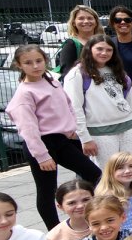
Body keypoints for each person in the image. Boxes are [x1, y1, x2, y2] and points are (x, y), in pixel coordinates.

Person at [7, 44, 104, 229]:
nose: (35, 66)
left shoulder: (51, 80)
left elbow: (67, 105)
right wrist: (42, 155)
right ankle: (54, 230)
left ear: (45, 61)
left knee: (95, 174)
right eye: (28, 63)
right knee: (46, 190)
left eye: (39, 61)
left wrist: (72, 129)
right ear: (19, 65)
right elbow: (28, 129)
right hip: (42, 144)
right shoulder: (25, 93)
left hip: (63, 140)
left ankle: (89, 215)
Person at [63, 35, 132, 167]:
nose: (104, 53)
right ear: (89, 49)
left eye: (109, 50)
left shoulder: (118, 71)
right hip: (100, 132)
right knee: (107, 174)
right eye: (99, 49)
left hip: (128, 127)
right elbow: (74, 108)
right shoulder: (77, 74)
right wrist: (85, 138)